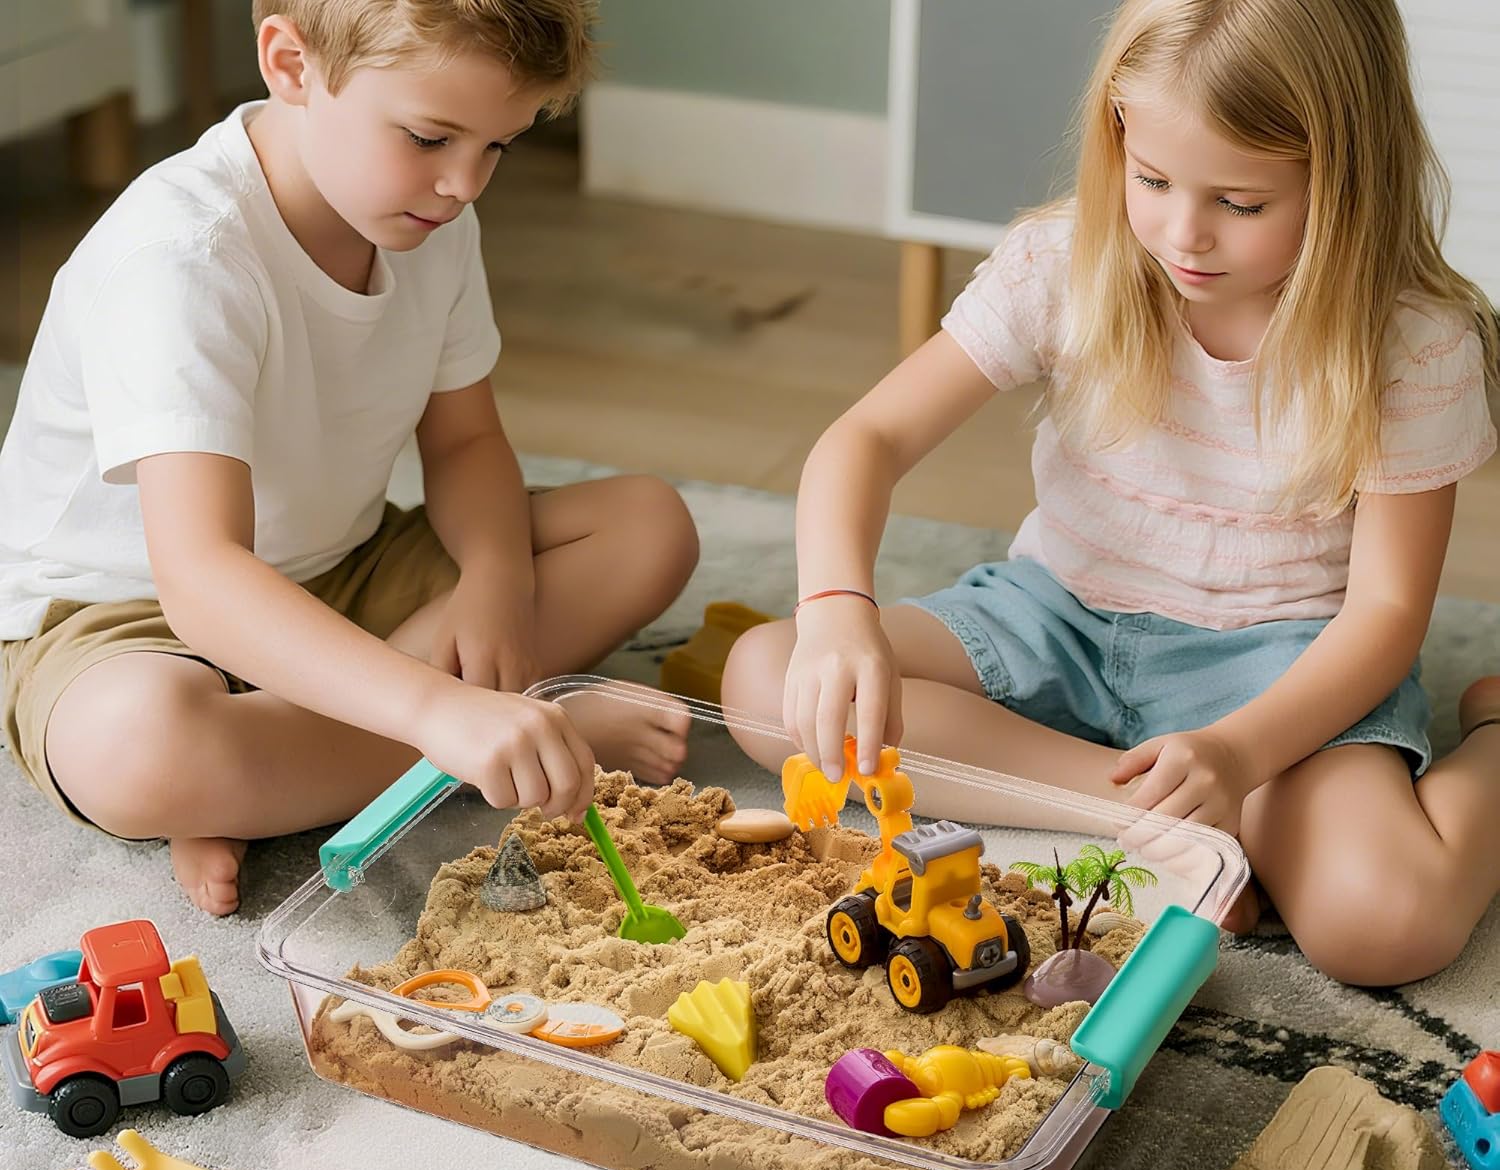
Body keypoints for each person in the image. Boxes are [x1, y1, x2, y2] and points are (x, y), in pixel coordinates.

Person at [722, 0, 1500, 987]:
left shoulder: (1414, 341)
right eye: (1153, 178)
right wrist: (838, 611)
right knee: (769, 677)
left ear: (1346, 177)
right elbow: (864, 439)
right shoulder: (1065, 262)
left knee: (1387, 926)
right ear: (1117, 137)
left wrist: (1236, 751)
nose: (1185, 233)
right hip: (1060, 617)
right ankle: (1142, 810)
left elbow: (1387, 613)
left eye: (1242, 203)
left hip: (1278, 666)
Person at [0, 0, 699, 916]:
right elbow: (203, 579)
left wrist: (496, 578)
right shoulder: (181, 256)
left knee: (648, 525)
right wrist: (435, 709)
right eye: (428, 137)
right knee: (140, 751)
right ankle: (500, 734)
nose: (463, 184)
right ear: (290, 64)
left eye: (497, 147)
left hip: (341, 564)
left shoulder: (429, 216)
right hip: (130, 613)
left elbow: (465, 439)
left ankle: (279, 778)